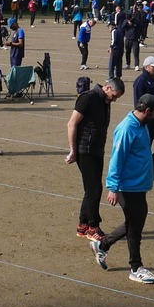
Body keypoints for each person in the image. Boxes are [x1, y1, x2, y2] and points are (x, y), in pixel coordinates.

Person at [91, 93, 154, 284]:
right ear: (147, 111)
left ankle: (102, 245)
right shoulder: (126, 129)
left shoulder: (142, 125)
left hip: (138, 185)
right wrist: (113, 187)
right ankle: (135, 268)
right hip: (127, 187)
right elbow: (117, 159)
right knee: (135, 227)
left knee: (135, 221)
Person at [65, 77, 125, 240]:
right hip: (85, 150)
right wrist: (73, 150)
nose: (114, 100)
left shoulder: (105, 102)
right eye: (114, 96)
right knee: (95, 189)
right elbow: (72, 124)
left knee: (90, 189)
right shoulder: (88, 98)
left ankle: (83, 225)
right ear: (107, 88)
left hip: (97, 150)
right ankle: (93, 227)